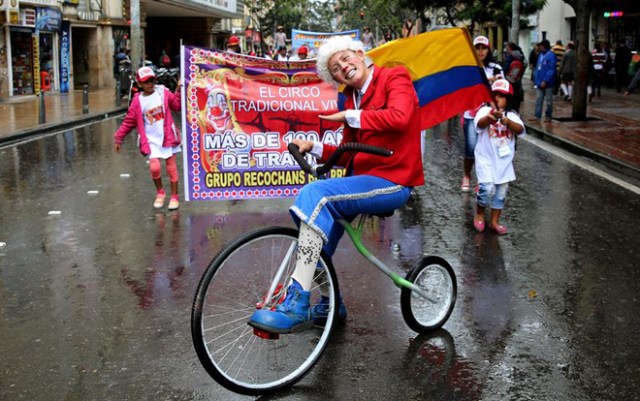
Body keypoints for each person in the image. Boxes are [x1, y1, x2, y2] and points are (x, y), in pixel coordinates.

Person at [248, 35, 424, 333]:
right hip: (361, 181)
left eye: (345, 59)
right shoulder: (350, 98)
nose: (343, 68)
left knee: (314, 193)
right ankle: (331, 303)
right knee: (314, 240)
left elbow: (400, 117)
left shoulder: (394, 77)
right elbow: (347, 151)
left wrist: (349, 115)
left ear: (359, 54)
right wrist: (314, 147)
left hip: (394, 180)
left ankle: (297, 300)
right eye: (336, 69)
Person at [114, 66, 183, 210]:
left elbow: (176, 105)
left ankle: (174, 196)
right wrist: (118, 138)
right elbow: (129, 121)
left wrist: (179, 89)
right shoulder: (137, 101)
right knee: (155, 167)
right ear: (139, 84)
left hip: (167, 136)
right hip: (151, 140)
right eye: (146, 82)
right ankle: (160, 192)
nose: (150, 84)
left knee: (171, 166)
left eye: (152, 80)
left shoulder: (163, 92)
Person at [472, 79, 525, 235]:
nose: (497, 99)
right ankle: (480, 213)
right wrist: (490, 118)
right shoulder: (484, 111)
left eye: (501, 96)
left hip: (504, 162)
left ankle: (494, 221)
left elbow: (520, 129)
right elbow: (479, 125)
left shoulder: (512, 115)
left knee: (501, 192)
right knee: (486, 188)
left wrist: (508, 122)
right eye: (494, 95)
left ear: (508, 99)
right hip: (485, 159)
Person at [460, 35, 503, 193]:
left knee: (486, 149)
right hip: (471, 114)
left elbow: (502, 88)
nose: (480, 51)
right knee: (471, 148)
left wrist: (495, 81)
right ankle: (466, 175)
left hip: (489, 114)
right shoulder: (468, 68)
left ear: (488, 49)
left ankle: (481, 179)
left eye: (483, 48)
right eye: (477, 48)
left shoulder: (496, 68)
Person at [532, 39, 557, 122]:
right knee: (539, 99)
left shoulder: (551, 55)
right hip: (539, 81)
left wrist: (545, 80)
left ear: (543, 46)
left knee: (549, 100)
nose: (539, 47)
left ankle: (548, 115)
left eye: (540, 46)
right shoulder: (540, 55)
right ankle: (537, 115)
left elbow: (551, 69)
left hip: (548, 83)